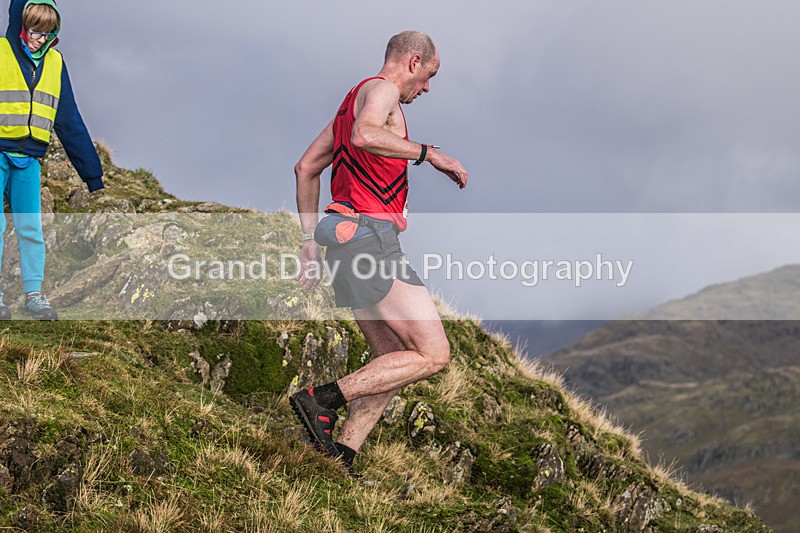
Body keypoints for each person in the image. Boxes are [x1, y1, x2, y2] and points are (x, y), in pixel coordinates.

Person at [291, 30, 468, 474]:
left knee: (394, 357)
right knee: (434, 354)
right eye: (428, 76)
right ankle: (320, 400)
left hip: (342, 237)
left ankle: (342, 455)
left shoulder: (352, 99)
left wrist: (310, 241)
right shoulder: (383, 90)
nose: (426, 88)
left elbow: (306, 167)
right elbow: (366, 134)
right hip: (369, 235)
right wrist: (430, 154)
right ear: (413, 61)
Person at [0, 0, 104, 320]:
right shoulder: (2, 52)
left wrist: (92, 175)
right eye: (33, 30)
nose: (38, 39)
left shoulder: (56, 64)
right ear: (21, 24)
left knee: (31, 227)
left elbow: (70, 122)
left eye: (46, 33)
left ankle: (34, 295)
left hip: (29, 160)